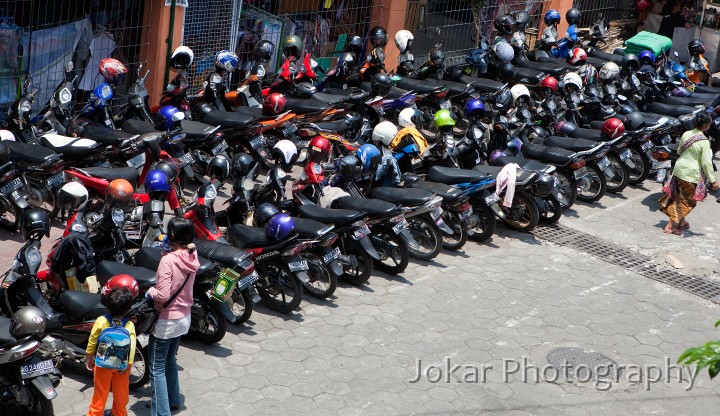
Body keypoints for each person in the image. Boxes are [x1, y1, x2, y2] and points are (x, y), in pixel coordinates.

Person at [146, 217, 199, 416]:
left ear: (173, 236)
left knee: (156, 367)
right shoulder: (192, 255)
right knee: (169, 360)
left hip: (167, 320)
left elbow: (163, 295)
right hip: (184, 318)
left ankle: (162, 412)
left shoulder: (167, 261)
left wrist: (150, 292)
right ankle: (173, 401)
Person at [659, 112, 719, 235]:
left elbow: (680, 150)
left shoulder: (687, 134)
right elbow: (707, 163)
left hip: (679, 169)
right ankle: (670, 226)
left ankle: (682, 223)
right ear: (707, 125)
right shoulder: (704, 142)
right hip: (690, 175)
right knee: (688, 201)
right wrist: (713, 180)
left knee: (679, 196)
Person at [85, 277, 138, 416]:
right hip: (122, 365)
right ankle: (119, 413)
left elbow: (92, 340)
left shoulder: (101, 321)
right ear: (127, 309)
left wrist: (89, 356)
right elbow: (132, 346)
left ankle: (95, 414)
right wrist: (129, 364)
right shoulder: (129, 325)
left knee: (100, 394)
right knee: (121, 395)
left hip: (102, 364)